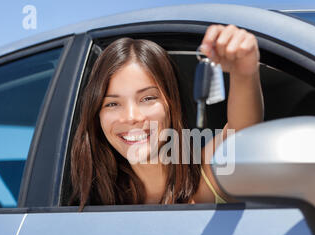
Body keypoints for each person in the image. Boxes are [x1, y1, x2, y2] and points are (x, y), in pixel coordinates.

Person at [70, 24, 264, 210]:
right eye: (112, 103)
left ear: (171, 104)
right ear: (97, 116)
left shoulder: (208, 172)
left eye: (147, 98)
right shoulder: (91, 201)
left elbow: (243, 136)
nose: (131, 117)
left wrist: (244, 74)